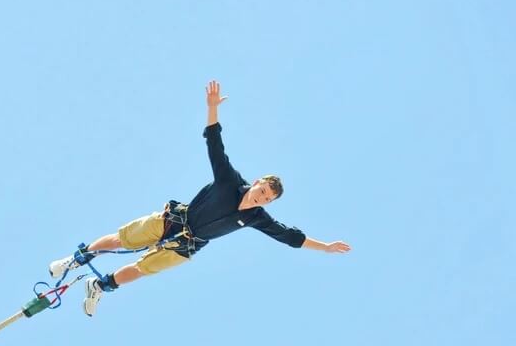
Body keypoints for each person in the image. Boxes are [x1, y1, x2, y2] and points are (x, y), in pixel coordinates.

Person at [49, 80, 352, 316]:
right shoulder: (229, 181)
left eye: (266, 199)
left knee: (142, 269)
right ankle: (76, 259)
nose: (261, 199)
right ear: (257, 182)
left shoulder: (256, 218)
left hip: (187, 245)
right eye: (262, 191)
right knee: (121, 240)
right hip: (172, 222)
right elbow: (215, 145)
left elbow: (289, 236)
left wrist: (324, 247)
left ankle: (100, 286)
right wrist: (213, 108)